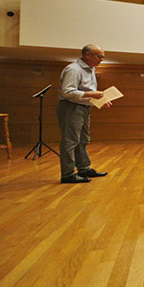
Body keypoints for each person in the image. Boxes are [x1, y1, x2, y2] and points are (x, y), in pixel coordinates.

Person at [57, 44, 111, 184]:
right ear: (87, 55)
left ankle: (84, 168)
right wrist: (92, 94)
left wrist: (100, 100)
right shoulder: (74, 69)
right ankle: (68, 174)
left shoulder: (91, 70)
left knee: (83, 140)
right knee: (70, 141)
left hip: (84, 108)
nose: (102, 59)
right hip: (71, 107)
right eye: (100, 56)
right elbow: (67, 92)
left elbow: (87, 91)